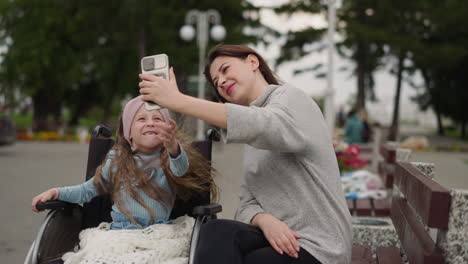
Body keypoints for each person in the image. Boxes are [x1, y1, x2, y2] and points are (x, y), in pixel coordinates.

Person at [138, 44, 352, 264]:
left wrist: (179, 101)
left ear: (252, 62)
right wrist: (265, 219)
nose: (220, 81)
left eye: (225, 69)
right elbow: (247, 203)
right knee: (216, 230)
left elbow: (265, 125)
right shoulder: (253, 141)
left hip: (319, 247)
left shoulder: (292, 99)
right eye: (215, 81)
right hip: (277, 238)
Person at [32, 96, 216, 230]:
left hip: (158, 232)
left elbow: (180, 170)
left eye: (157, 119)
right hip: (120, 231)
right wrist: (57, 192)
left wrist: (173, 146)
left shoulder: (169, 158)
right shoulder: (117, 160)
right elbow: (87, 191)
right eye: (142, 119)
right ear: (129, 134)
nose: (150, 123)